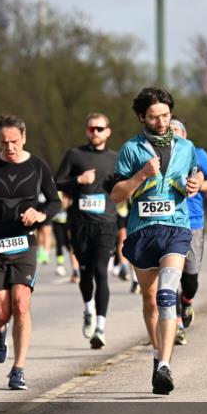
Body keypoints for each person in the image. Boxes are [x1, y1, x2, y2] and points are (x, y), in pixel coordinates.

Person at [109, 87, 202, 395]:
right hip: (142, 232)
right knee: (149, 299)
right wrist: (141, 175)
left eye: (165, 115)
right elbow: (117, 195)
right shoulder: (130, 149)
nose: (161, 122)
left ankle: (165, 365)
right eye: (153, 117)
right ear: (141, 117)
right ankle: (157, 353)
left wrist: (196, 183)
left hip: (176, 228)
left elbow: (195, 175)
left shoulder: (186, 147)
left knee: (166, 294)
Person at [0, 114, 61, 390]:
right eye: (4, 142)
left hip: (24, 244)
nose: (10, 147)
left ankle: (18, 369)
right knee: (0, 309)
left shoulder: (38, 165)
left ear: (24, 137)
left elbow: (55, 202)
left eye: (14, 141)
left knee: (21, 304)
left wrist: (40, 214)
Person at [54, 112, 119, 349]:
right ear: (86, 131)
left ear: (108, 132)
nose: (95, 132)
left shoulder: (116, 158)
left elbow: (124, 186)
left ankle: (100, 328)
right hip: (80, 223)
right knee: (86, 273)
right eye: (92, 129)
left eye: (100, 129)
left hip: (106, 224)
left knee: (101, 272)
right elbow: (55, 182)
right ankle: (89, 308)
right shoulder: (75, 155)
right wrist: (78, 181)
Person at [168, 118, 207, 346]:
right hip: (168, 222)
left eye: (176, 130)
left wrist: (199, 185)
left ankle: (187, 301)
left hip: (193, 222)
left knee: (190, 279)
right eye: (169, 130)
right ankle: (177, 325)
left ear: (185, 135)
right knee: (170, 276)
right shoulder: (159, 156)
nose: (172, 134)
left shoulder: (198, 154)